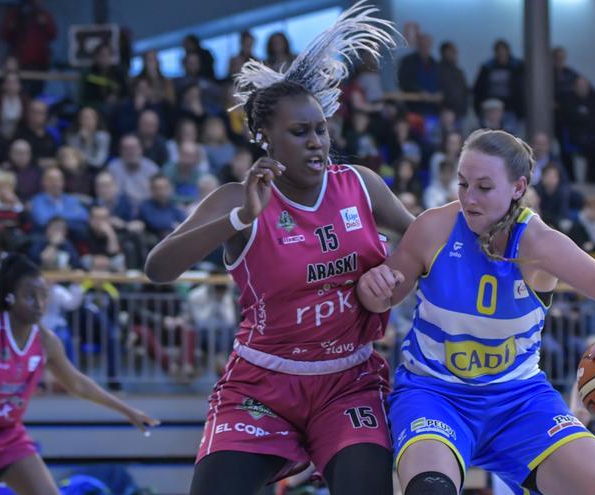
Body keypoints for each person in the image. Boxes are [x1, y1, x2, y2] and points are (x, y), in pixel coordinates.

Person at [143, 5, 410, 494]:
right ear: (266, 138)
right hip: (262, 385)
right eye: (299, 132)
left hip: (348, 379)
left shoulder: (361, 185)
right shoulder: (235, 199)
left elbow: (423, 242)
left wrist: (396, 277)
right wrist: (240, 218)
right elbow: (158, 268)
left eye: (320, 129)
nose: (316, 143)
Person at [357, 128, 595, 495]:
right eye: (463, 183)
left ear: (518, 187)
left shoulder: (539, 242)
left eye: (484, 187)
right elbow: (381, 299)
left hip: (518, 399)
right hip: (435, 393)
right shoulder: (433, 227)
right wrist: (372, 287)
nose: (469, 198)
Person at [0, 254, 158, 495]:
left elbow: (79, 384)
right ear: (9, 297)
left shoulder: (46, 340)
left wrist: (128, 410)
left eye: (43, 295)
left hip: (8, 435)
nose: (39, 303)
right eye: (30, 296)